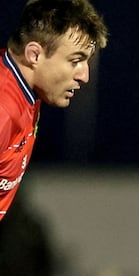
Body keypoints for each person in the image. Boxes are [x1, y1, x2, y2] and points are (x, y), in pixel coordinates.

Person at [1, 0, 107, 221]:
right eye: (75, 60)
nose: (84, 76)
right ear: (34, 55)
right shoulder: (3, 109)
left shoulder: (24, 93)